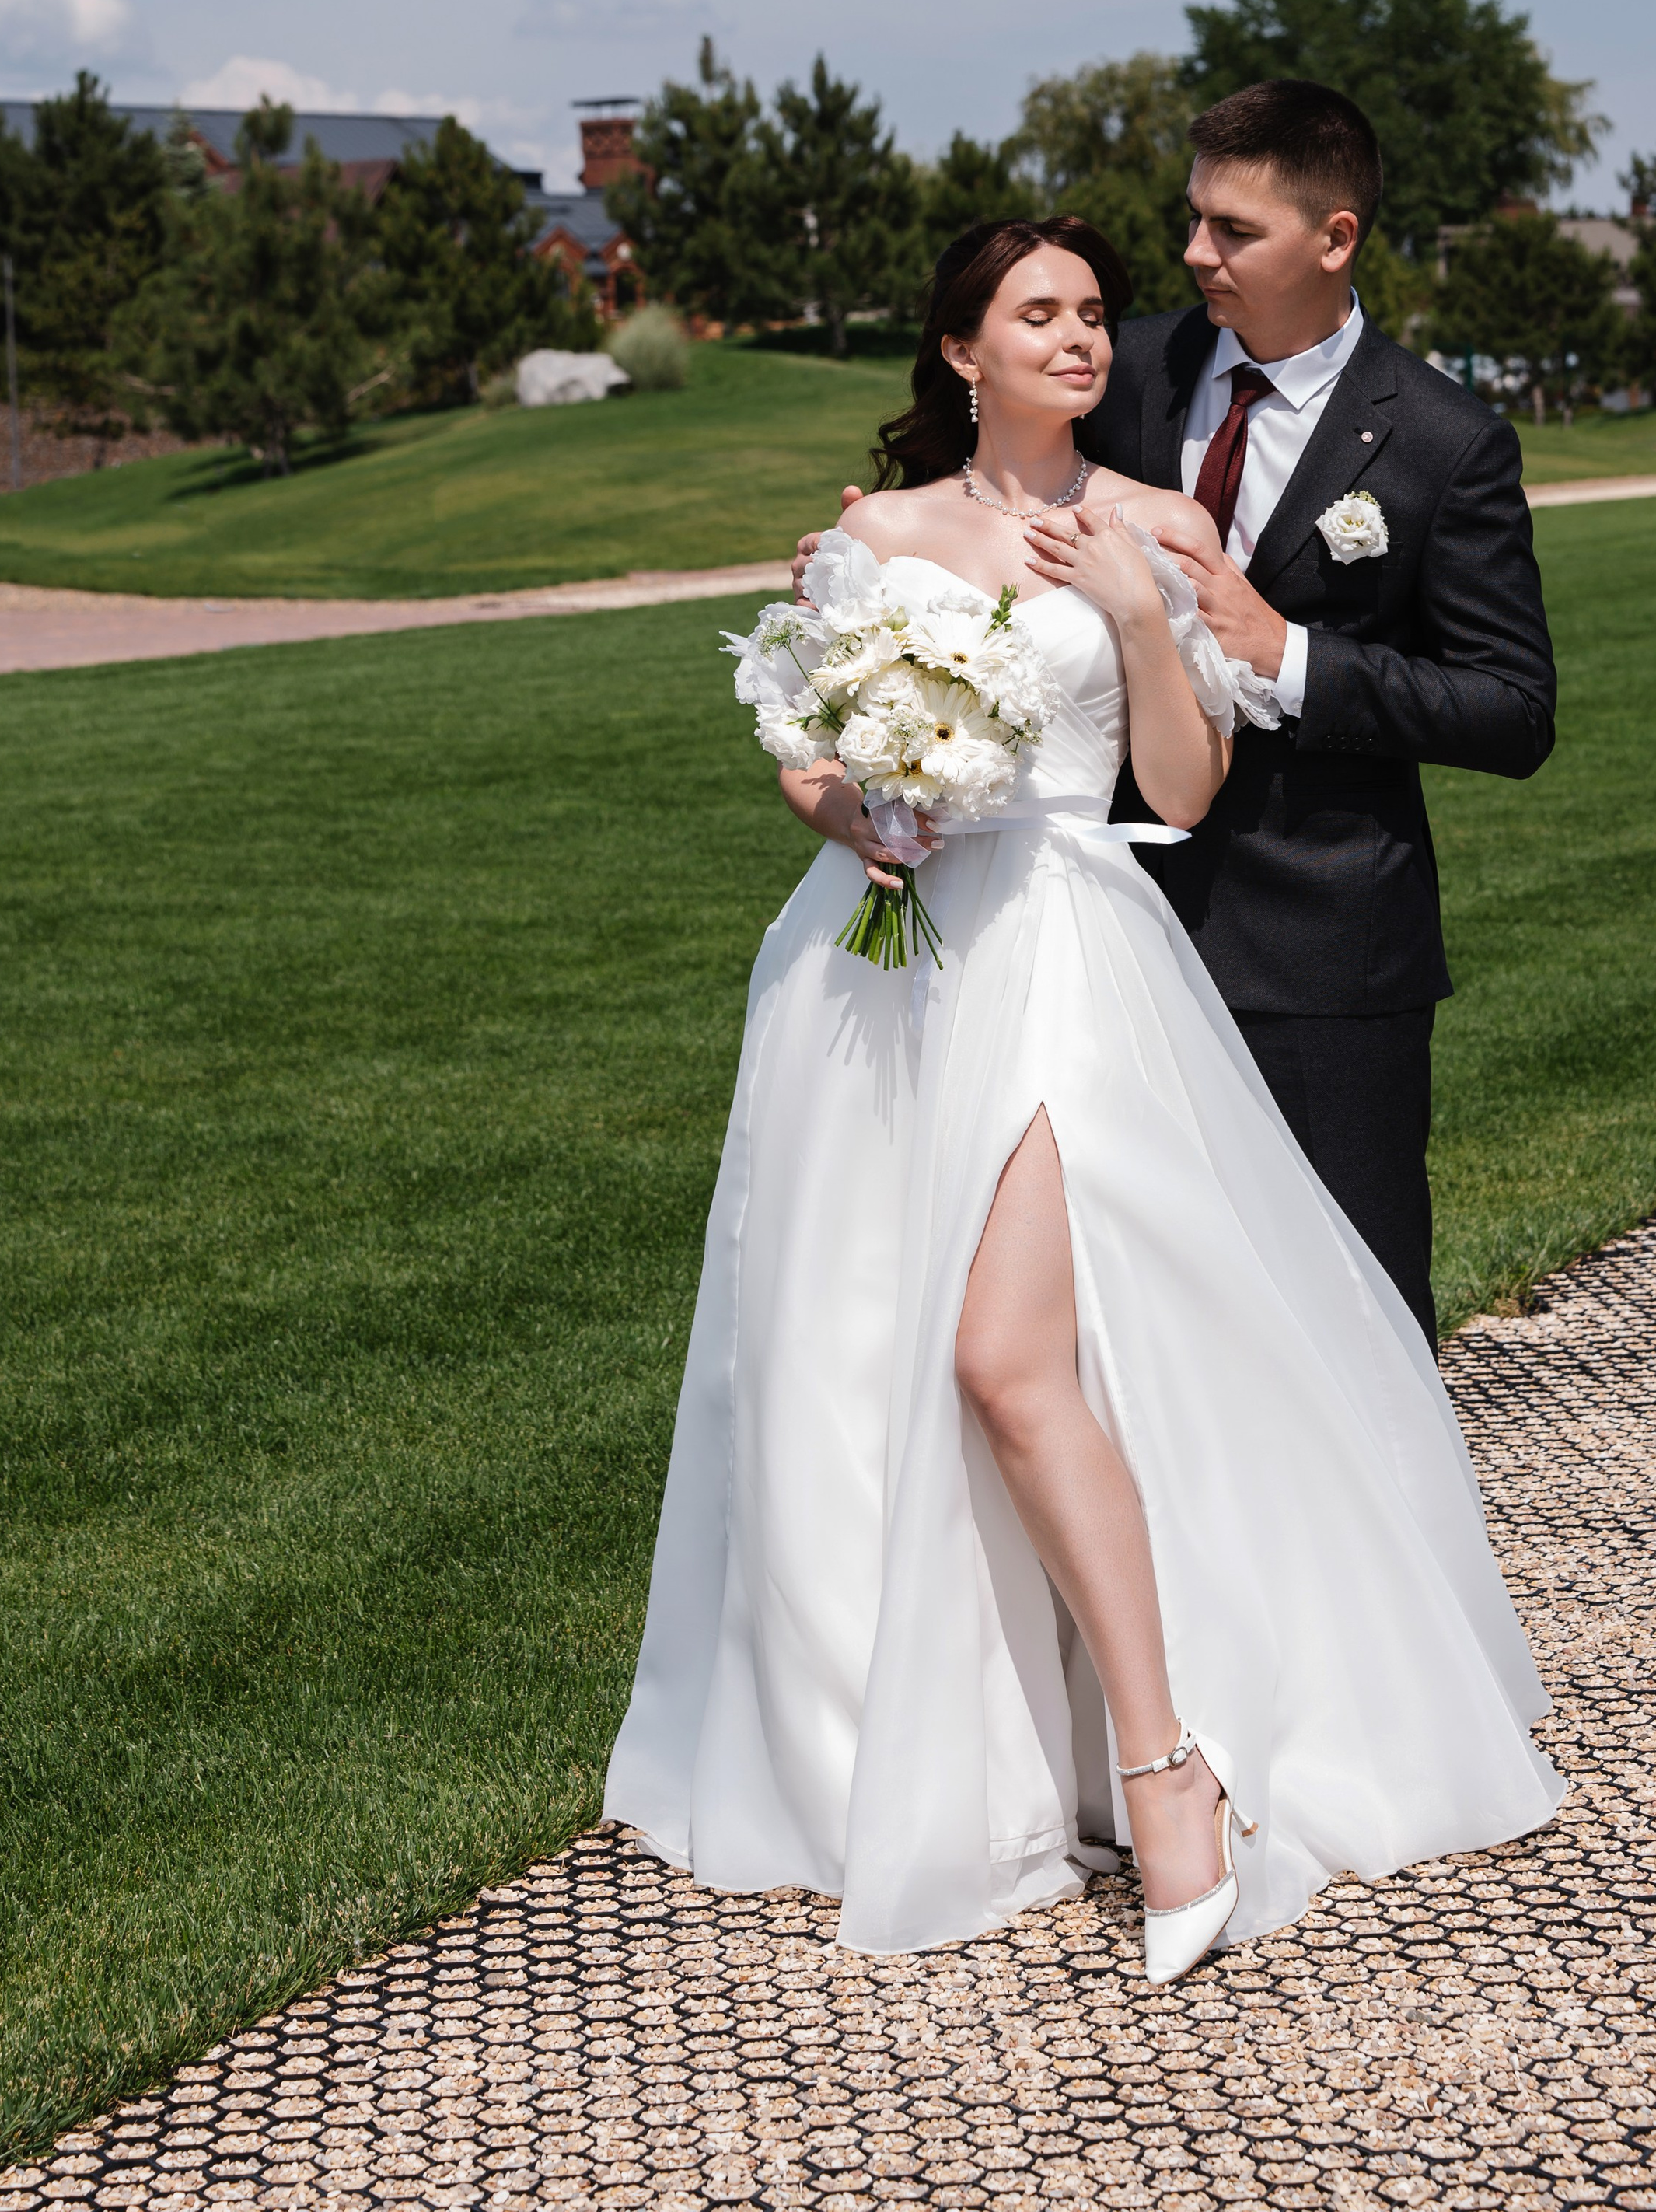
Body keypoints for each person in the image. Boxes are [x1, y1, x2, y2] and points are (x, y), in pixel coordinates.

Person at [603, 213, 1563, 1982]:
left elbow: (1184, 790)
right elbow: (807, 750)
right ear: (958, 348)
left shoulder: (1159, 525)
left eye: (1095, 313)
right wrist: (862, 809)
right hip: (879, 968)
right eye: (1037, 312)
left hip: (1061, 942)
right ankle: (938, 1752)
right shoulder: (875, 536)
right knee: (858, 1354)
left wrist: (1133, 612)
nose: (1081, 336)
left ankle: (1166, 1765)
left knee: (1001, 1358)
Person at [797, 78, 1559, 1348]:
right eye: (1194, 217)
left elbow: (1514, 708)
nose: (1196, 253)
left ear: (1336, 238)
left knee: (1350, 1311)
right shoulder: (1126, 361)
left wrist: (1291, 656)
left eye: (1233, 231)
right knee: (1121, 1333)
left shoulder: (1442, 439)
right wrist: (863, 576)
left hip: (1316, 944)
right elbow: (986, 485)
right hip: (1081, 930)